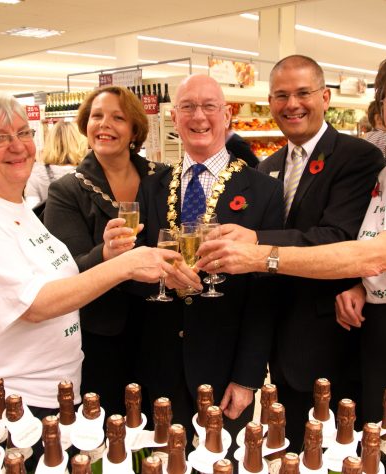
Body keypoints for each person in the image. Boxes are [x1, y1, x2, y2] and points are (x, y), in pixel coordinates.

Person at [0, 93, 196, 462]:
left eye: (22, 132)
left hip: (50, 397)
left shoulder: (15, 207)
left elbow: (56, 280)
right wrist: (125, 264)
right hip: (6, 403)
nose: (17, 146)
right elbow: (34, 304)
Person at [197, 47, 386, 429]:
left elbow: (365, 251)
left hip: (379, 344)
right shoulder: (384, 178)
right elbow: (364, 253)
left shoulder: (360, 158)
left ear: (325, 97)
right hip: (359, 342)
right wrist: (360, 285)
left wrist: (258, 250)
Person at [135, 74, 284, 448]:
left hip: (224, 366)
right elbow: (135, 266)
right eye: (187, 106)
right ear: (174, 117)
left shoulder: (264, 190)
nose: (198, 116)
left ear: (227, 114)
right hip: (160, 363)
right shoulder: (152, 184)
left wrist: (249, 376)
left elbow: (267, 294)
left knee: (220, 462)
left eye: (209, 106)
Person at [43, 85, 170, 417]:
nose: (105, 125)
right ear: (85, 126)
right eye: (96, 116)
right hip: (101, 335)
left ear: (134, 130)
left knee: (162, 422)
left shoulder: (162, 180)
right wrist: (105, 254)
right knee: (110, 424)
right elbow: (66, 273)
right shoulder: (67, 191)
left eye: (117, 117)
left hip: (163, 326)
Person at [24, 120, 88, 209]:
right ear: (80, 143)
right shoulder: (89, 174)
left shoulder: (35, 174)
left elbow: (32, 210)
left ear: (49, 143)